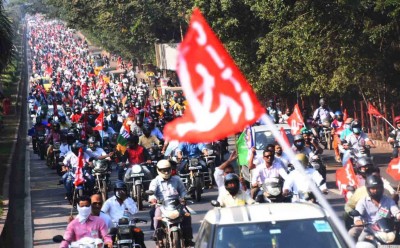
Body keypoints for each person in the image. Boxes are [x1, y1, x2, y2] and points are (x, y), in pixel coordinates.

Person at [148, 160, 194, 247]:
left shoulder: (177, 179)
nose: (166, 172)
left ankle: (188, 238)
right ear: (158, 170)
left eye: (167, 169)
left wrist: (185, 197)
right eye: (163, 170)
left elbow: (183, 191)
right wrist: (152, 199)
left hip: (177, 204)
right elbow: (152, 193)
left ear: (171, 169)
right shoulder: (155, 181)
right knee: (157, 218)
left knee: (187, 215)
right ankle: (159, 238)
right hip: (162, 205)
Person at [348, 175, 400, 242]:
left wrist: (398, 215)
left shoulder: (388, 200)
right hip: (368, 229)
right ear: (368, 189)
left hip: (387, 229)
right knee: (354, 235)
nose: (375, 191)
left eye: (377, 188)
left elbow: (395, 210)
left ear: (381, 188)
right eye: (373, 189)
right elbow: (357, 218)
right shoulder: (363, 202)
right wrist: (360, 222)